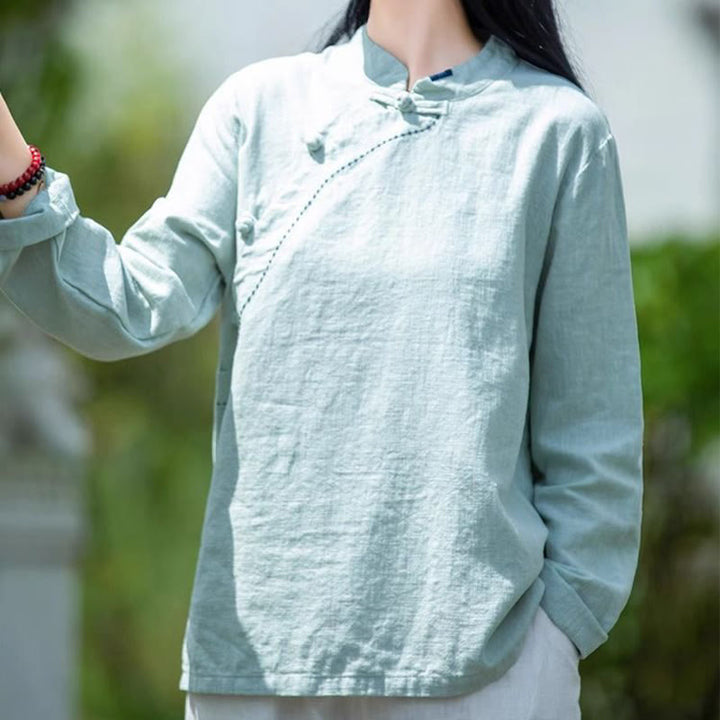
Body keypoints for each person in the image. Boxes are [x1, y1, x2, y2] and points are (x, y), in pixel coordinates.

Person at [0, 0, 644, 717]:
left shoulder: (558, 133)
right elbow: (125, 306)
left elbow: (595, 434)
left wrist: (554, 642)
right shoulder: (257, 111)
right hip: (255, 670)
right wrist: (11, 170)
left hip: (483, 673)